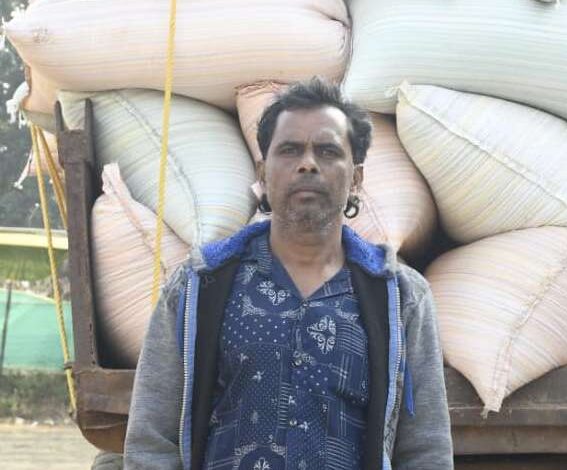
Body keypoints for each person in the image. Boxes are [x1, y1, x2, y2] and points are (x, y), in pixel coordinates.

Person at [123, 77, 453, 470]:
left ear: (356, 179)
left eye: (328, 151)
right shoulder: (200, 286)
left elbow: (426, 450)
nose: (308, 163)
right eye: (290, 149)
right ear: (263, 173)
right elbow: (151, 443)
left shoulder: (399, 297)